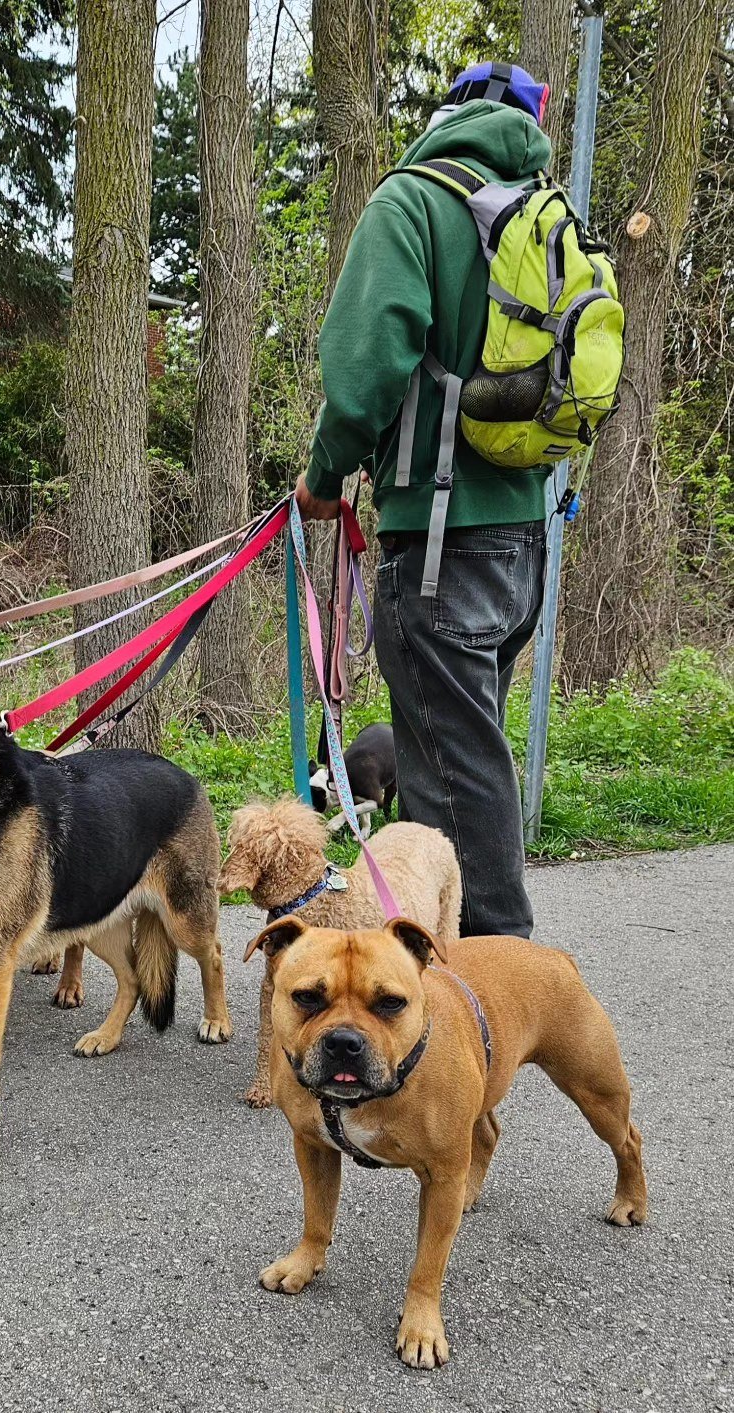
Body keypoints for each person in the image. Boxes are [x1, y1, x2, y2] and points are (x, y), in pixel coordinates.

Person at [295, 61, 555, 939]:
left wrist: (325, 479)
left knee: (450, 779)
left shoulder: (410, 202)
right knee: (463, 758)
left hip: (442, 542)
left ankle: (491, 985)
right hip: (521, 543)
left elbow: (363, 371)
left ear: (449, 114)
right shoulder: (543, 214)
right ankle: (448, 992)